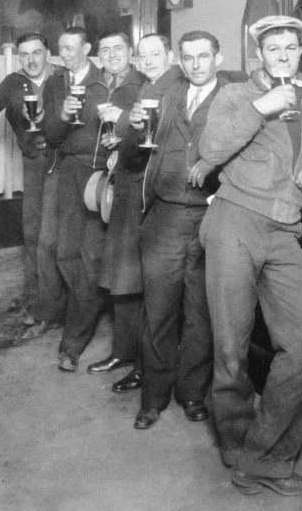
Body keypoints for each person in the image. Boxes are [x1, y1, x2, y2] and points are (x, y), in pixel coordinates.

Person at [199, 15, 302, 497]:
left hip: (284, 229)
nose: (282, 56)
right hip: (234, 220)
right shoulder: (237, 94)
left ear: (300, 51)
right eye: (273, 48)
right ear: (259, 55)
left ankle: (266, 456)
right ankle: (237, 450)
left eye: (290, 48)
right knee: (231, 348)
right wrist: (261, 107)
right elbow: (210, 148)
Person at [124, 30, 229, 429]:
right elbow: (134, 155)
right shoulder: (164, 96)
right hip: (164, 218)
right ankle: (153, 398)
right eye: (188, 57)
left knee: (200, 315)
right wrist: (134, 129)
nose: (196, 64)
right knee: (159, 311)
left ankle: (191, 394)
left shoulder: (233, 100)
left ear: (218, 58)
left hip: (210, 219)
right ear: (179, 61)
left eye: (204, 56)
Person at [43, 32, 147, 372]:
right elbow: (53, 136)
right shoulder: (87, 85)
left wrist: (119, 148)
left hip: (112, 178)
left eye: (119, 48)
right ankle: (87, 310)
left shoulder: (144, 85)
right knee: (66, 253)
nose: (112, 54)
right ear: (96, 54)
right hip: (74, 173)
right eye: (106, 49)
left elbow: (147, 135)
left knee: (94, 257)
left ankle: (72, 345)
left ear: (131, 52)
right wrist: (60, 113)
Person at [95, 33, 185, 394]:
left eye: (155, 54)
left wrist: (121, 130)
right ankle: (128, 354)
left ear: (170, 55)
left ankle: (147, 367)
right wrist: (120, 140)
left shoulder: (176, 87)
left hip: (158, 197)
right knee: (128, 276)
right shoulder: (148, 87)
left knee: (152, 287)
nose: (147, 60)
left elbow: (164, 146)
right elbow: (137, 145)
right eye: (143, 55)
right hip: (135, 187)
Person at [0, 32, 66, 337]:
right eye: (24, 54)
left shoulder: (63, 78)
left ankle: (51, 310)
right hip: (34, 165)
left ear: (48, 53)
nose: (31, 60)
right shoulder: (12, 84)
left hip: (64, 165)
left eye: (37, 52)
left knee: (50, 238)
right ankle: (37, 302)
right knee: (33, 234)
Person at [18, 26, 98, 341]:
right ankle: (52, 312)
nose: (64, 54)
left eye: (70, 48)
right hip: (61, 168)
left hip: (98, 171)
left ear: (86, 49)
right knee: (48, 243)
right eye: (61, 49)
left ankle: (83, 314)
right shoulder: (55, 84)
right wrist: (63, 116)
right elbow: (49, 133)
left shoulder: (104, 80)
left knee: (88, 250)